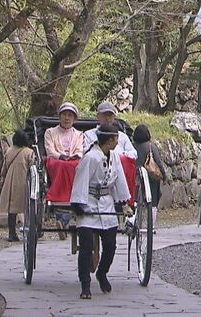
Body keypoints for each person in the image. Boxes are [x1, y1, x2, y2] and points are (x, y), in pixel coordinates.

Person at [70, 123, 131, 300]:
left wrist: (123, 203)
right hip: (88, 203)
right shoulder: (91, 157)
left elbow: (119, 180)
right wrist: (79, 206)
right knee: (87, 246)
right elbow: (80, 180)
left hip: (106, 204)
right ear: (110, 139)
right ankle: (85, 284)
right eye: (116, 138)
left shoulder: (114, 157)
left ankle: (102, 273)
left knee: (111, 245)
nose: (117, 141)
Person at [44, 102, 85, 239]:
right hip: (56, 161)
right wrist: (61, 156)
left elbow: (80, 150)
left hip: (73, 162)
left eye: (70, 116)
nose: (67, 118)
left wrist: (72, 157)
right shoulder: (50, 132)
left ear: (74, 119)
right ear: (59, 116)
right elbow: (50, 150)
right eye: (64, 115)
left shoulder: (79, 134)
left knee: (78, 166)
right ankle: (63, 217)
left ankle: (64, 220)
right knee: (62, 165)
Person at [0, 129, 35, 242]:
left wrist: (3, 177)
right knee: (27, 207)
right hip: (24, 182)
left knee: (12, 210)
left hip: (10, 182)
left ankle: (11, 233)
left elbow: (3, 169)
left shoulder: (9, 151)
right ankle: (29, 230)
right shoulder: (29, 152)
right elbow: (32, 168)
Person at [133, 124, 166, 230]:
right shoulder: (150, 146)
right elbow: (159, 162)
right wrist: (164, 175)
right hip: (150, 177)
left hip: (135, 176)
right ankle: (150, 225)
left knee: (135, 201)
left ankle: (134, 223)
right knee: (152, 201)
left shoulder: (131, 146)